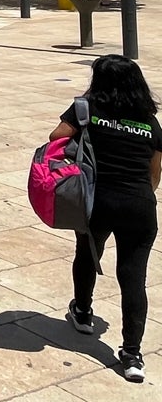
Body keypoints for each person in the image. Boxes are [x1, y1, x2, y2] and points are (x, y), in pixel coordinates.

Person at [49, 55, 162, 383]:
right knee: (133, 277)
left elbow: (56, 136)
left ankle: (82, 313)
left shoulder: (86, 110)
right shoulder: (149, 122)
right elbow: (154, 174)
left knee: (87, 254)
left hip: (97, 202)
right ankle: (132, 354)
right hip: (140, 206)